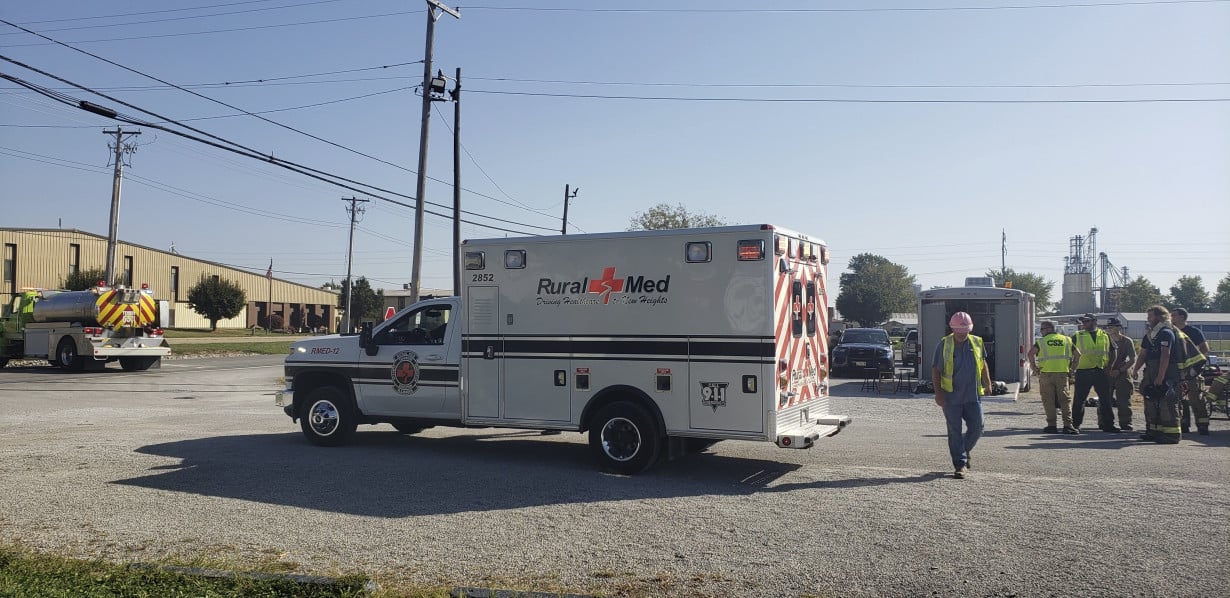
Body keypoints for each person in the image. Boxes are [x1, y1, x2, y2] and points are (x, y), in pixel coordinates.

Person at [932, 311, 992, 479]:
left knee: (978, 426)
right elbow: (936, 370)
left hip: (972, 396)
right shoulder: (944, 345)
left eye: (964, 330)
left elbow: (983, 363)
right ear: (953, 329)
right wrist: (938, 394)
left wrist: (988, 382)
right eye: (958, 330)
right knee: (954, 431)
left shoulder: (977, 342)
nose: (961, 334)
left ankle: (963, 452)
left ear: (969, 329)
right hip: (951, 397)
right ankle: (960, 464)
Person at [1130, 305, 1183, 444]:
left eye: (1150, 316)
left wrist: (1160, 377)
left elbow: (1165, 356)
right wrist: (1135, 369)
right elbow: (1143, 354)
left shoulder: (1166, 332)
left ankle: (1172, 435)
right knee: (1151, 400)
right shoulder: (1151, 334)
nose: (1148, 319)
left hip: (1166, 371)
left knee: (1167, 402)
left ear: (1160, 317)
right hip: (1151, 370)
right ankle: (1154, 431)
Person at [1029, 320, 1079, 434]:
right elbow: (1078, 354)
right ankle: (1068, 425)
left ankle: (1051, 425)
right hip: (1062, 374)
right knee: (1065, 400)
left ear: (1049, 329)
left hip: (1046, 374)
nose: (1041, 332)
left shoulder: (1041, 342)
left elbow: (1030, 353)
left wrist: (1034, 368)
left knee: (1048, 400)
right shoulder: (1066, 340)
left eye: (1042, 329)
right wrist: (1073, 369)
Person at [1070, 313, 1114, 432]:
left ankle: (1109, 425)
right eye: (1083, 321)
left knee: (1105, 399)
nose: (1084, 324)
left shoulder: (1105, 335)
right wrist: (1072, 369)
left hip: (1100, 370)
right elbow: (1070, 352)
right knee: (1079, 399)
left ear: (1095, 321)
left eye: (1087, 321)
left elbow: (1112, 351)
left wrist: (1109, 366)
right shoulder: (1078, 335)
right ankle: (1075, 424)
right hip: (1083, 371)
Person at [1171, 308, 1211, 435]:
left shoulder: (1193, 331)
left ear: (1182, 317)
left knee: (1196, 397)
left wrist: (1196, 366)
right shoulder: (1170, 332)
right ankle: (1184, 424)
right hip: (1177, 370)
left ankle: (1202, 424)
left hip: (1192, 371)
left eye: (1174, 315)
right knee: (1180, 398)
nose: (1171, 317)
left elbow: (1204, 348)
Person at [1103, 318, 1136, 431]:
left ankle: (1126, 422)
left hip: (1122, 372)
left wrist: (1120, 370)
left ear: (1118, 327)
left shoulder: (1127, 341)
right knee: (1105, 399)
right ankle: (1104, 422)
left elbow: (1132, 359)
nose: (1110, 329)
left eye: (1112, 327)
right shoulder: (1104, 340)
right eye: (1108, 327)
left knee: (1124, 400)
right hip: (1107, 372)